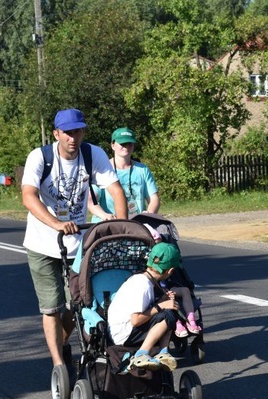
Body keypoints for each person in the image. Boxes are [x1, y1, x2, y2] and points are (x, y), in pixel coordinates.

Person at [22, 108, 127, 369]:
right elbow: (28, 196)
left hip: (77, 245)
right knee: (51, 307)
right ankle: (58, 364)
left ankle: (62, 343)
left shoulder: (93, 154)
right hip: (42, 243)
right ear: (57, 134)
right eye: (67, 132)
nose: (73, 137)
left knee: (79, 304)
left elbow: (116, 191)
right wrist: (56, 223)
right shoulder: (40, 157)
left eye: (78, 131)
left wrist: (122, 228)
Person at [106, 242, 183, 371]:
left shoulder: (146, 281)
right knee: (167, 314)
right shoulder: (143, 284)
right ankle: (142, 354)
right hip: (122, 334)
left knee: (170, 309)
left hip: (126, 330)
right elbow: (136, 320)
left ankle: (163, 352)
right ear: (170, 271)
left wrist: (164, 301)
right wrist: (160, 306)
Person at [89, 127, 160, 222]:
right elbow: (90, 201)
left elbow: (154, 199)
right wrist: (104, 215)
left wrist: (149, 214)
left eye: (129, 143)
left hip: (137, 224)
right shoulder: (102, 169)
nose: (126, 146)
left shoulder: (142, 169)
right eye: (122, 144)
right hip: (107, 225)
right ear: (112, 145)